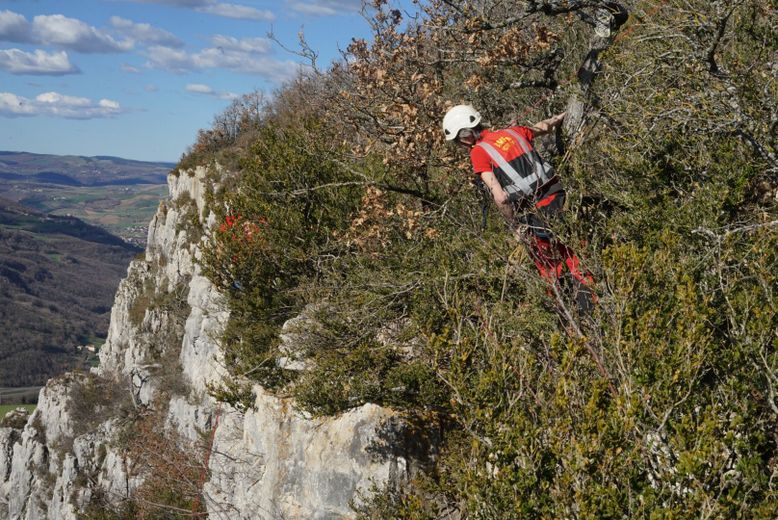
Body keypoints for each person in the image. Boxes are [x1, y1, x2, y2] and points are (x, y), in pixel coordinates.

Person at [442, 104, 595, 313]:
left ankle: (569, 318)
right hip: (559, 199)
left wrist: (514, 225)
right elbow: (544, 127)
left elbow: (501, 197)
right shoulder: (514, 131)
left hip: (533, 215)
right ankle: (594, 303)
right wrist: (560, 117)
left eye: (458, 141)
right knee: (572, 253)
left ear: (466, 136)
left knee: (550, 268)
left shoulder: (478, 152)